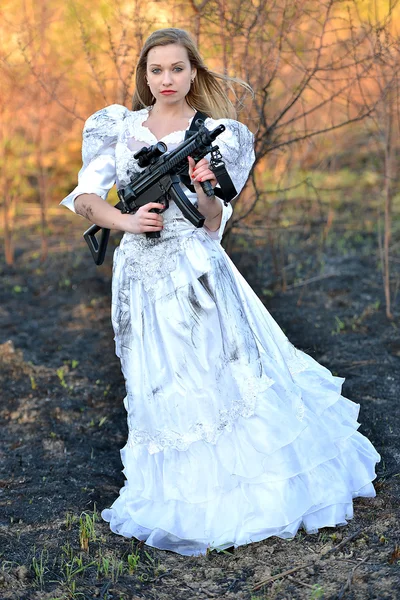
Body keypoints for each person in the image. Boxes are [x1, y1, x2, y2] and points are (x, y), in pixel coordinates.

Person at [61, 27, 380, 556]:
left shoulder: (217, 133)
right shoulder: (117, 128)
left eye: (177, 69)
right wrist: (125, 219)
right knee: (160, 379)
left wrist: (206, 186)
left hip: (196, 269)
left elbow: (212, 222)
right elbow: (83, 198)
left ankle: (245, 493)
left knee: (218, 370)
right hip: (140, 274)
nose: (167, 79)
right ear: (145, 73)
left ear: (193, 72)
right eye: (156, 69)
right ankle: (178, 495)